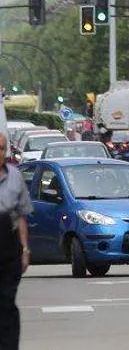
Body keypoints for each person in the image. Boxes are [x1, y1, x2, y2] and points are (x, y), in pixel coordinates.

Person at [0, 133, 33, 349]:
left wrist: (25, 249)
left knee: (6, 301)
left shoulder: (14, 176)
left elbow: (21, 216)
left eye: (2, 148)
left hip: (8, 244)